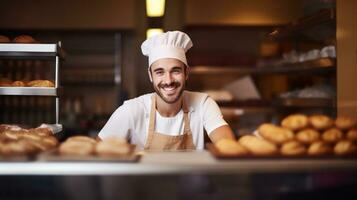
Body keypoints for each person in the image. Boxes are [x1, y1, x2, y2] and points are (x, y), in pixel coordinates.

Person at [98, 30, 235, 150]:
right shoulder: (132, 110)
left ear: (186, 73)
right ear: (150, 75)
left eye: (175, 71)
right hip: (145, 181)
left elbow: (227, 144)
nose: (168, 80)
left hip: (190, 180)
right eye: (159, 72)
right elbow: (98, 151)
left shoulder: (203, 104)